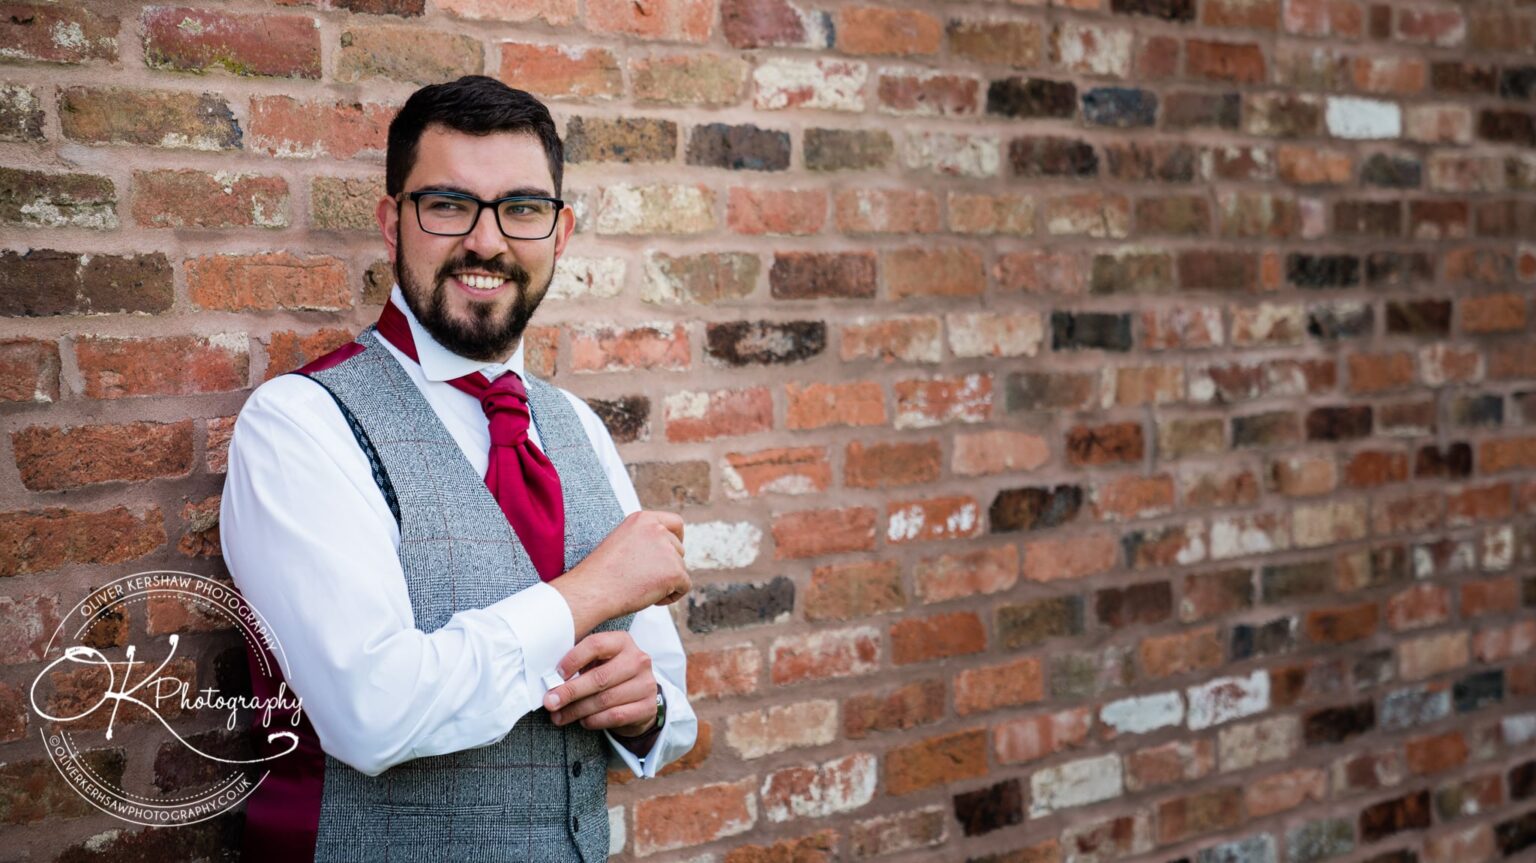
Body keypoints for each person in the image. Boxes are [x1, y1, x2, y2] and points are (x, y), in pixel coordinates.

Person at [220, 75, 696, 862]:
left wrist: (644, 709)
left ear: (561, 232)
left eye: (522, 208)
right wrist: (592, 592)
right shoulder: (300, 424)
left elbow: (670, 699)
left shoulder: (576, 426)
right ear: (391, 221)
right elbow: (372, 712)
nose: (487, 240)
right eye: (448, 205)